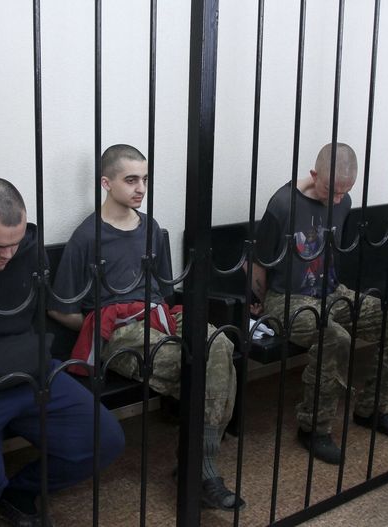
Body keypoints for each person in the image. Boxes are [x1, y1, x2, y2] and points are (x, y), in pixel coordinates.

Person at [48, 144, 242, 511]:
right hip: (119, 328)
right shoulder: (87, 236)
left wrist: (160, 318)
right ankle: (200, 469)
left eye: (145, 179)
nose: (141, 187)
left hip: (159, 314)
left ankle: (198, 460)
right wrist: (100, 324)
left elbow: (165, 291)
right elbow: (60, 308)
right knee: (198, 366)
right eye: (131, 179)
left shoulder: (150, 226)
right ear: (106, 183)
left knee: (219, 343)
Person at [0, 178, 125, 526]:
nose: (8, 255)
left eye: (14, 244)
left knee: (104, 439)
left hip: (26, 374)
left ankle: (18, 494)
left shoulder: (26, 248)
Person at [252, 143, 388, 465]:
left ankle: (372, 408)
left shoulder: (344, 202)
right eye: (331, 190)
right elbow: (257, 260)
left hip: (332, 291)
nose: (338, 199)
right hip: (286, 298)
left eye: (345, 192)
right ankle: (314, 427)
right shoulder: (283, 204)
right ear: (315, 176)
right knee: (334, 338)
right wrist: (257, 304)